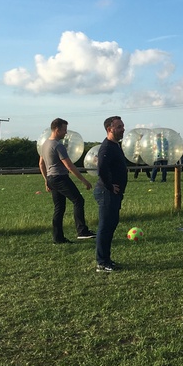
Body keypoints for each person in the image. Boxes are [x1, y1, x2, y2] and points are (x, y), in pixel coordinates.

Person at [38, 118, 96, 244]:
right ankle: (82, 231)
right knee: (78, 200)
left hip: (51, 178)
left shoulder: (45, 144)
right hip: (60, 178)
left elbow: (41, 164)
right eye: (64, 130)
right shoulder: (58, 146)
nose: (65, 133)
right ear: (57, 129)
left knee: (59, 208)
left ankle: (58, 238)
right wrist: (84, 180)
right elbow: (69, 166)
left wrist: (46, 180)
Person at [94, 116, 128, 272]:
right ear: (109, 129)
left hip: (114, 194)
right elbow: (101, 168)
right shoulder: (107, 147)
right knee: (105, 227)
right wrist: (109, 186)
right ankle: (102, 262)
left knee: (110, 225)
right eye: (119, 127)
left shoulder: (115, 146)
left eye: (122, 126)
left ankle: (106, 259)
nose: (123, 129)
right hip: (106, 193)